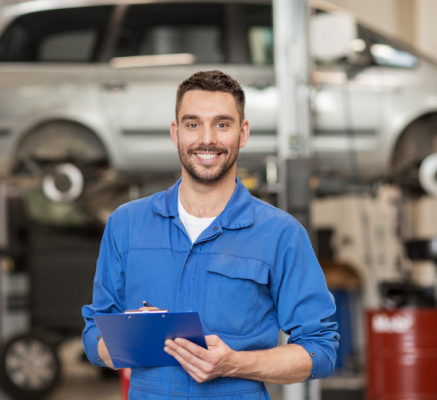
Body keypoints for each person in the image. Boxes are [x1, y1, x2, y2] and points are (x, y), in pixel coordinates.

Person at [82, 70, 339, 399]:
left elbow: (321, 350)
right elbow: (93, 338)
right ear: (175, 133)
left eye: (222, 124)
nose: (207, 139)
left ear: (242, 133)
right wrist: (132, 337)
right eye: (192, 124)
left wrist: (235, 363)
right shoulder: (126, 224)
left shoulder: (281, 234)